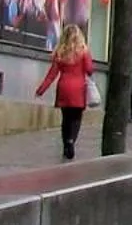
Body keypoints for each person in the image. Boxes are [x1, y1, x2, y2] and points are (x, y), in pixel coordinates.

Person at [35, 23, 95, 160]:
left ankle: (66, 144)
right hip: (78, 89)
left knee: (66, 118)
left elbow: (51, 75)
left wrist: (41, 90)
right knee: (76, 118)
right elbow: (89, 70)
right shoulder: (83, 52)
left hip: (64, 88)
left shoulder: (60, 52)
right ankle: (71, 140)